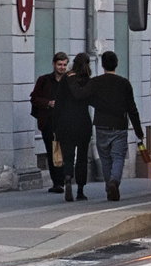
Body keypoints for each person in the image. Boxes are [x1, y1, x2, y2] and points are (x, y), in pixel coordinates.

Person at [69, 50, 144, 202]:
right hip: (119, 126)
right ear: (116, 64)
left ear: (102, 65)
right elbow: (132, 108)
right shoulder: (124, 83)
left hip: (101, 125)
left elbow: (81, 95)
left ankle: (109, 186)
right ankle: (114, 182)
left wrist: (71, 80)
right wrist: (138, 131)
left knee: (105, 159)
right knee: (118, 157)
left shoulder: (96, 82)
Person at [54, 52, 93, 202]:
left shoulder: (66, 79)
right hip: (83, 122)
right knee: (82, 157)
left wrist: (55, 126)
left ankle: (68, 177)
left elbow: (58, 103)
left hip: (65, 122)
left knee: (68, 156)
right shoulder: (87, 81)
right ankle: (81, 190)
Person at [30, 52, 69, 194]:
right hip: (49, 122)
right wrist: (48, 103)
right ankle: (57, 182)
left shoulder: (69, 80)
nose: (62, 68)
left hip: (66, 122)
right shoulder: (44, 80)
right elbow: (34, 98)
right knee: (52, 152)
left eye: (64, 65)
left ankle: (65, 177)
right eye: (59, 64)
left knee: (64, 151)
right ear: (54, 64)